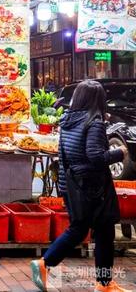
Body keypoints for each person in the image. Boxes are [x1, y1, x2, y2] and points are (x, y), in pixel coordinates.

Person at [31, 80, 130, 292]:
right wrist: (119, 153)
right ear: (98, 100)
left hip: (74, 184)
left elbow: (63, 153)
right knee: (98, 231)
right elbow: (95, 156)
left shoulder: (68, 120)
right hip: (93, 187)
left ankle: (103, 283)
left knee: (87, 230)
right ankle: (48, 264)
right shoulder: (92, 122)